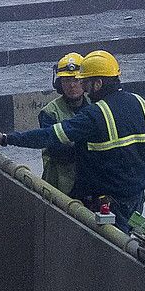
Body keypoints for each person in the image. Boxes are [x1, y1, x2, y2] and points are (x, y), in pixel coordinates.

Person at [0, 50, 145, 232]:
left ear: (98, 83)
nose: (83, 88)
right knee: (129, 243)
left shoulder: (96, 113)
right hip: (136, 195)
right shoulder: (142, 102)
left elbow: (49, 136)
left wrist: (5, 139)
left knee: (110, 248)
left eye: (85, 83)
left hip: (110, 201)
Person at [38, 53, 88, 196]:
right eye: (66, 80)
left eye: (76, 80)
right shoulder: (49, 112)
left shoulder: (95, 106)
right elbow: (57, 151)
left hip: (90, 180)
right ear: (59, 84)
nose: (72, 85)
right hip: (60, 182)